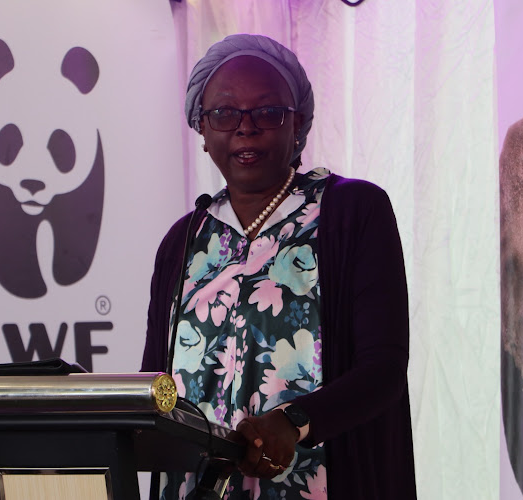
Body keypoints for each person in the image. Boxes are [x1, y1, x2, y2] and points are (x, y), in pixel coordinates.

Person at [142, 33, 416, 499]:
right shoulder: (182, 242)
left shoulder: (351, 212)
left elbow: (383, 368)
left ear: (300, 123)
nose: (245, 129)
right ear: (202, 132)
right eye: (225, 114)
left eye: (268, 112)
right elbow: (155, 387)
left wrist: (295, 422)